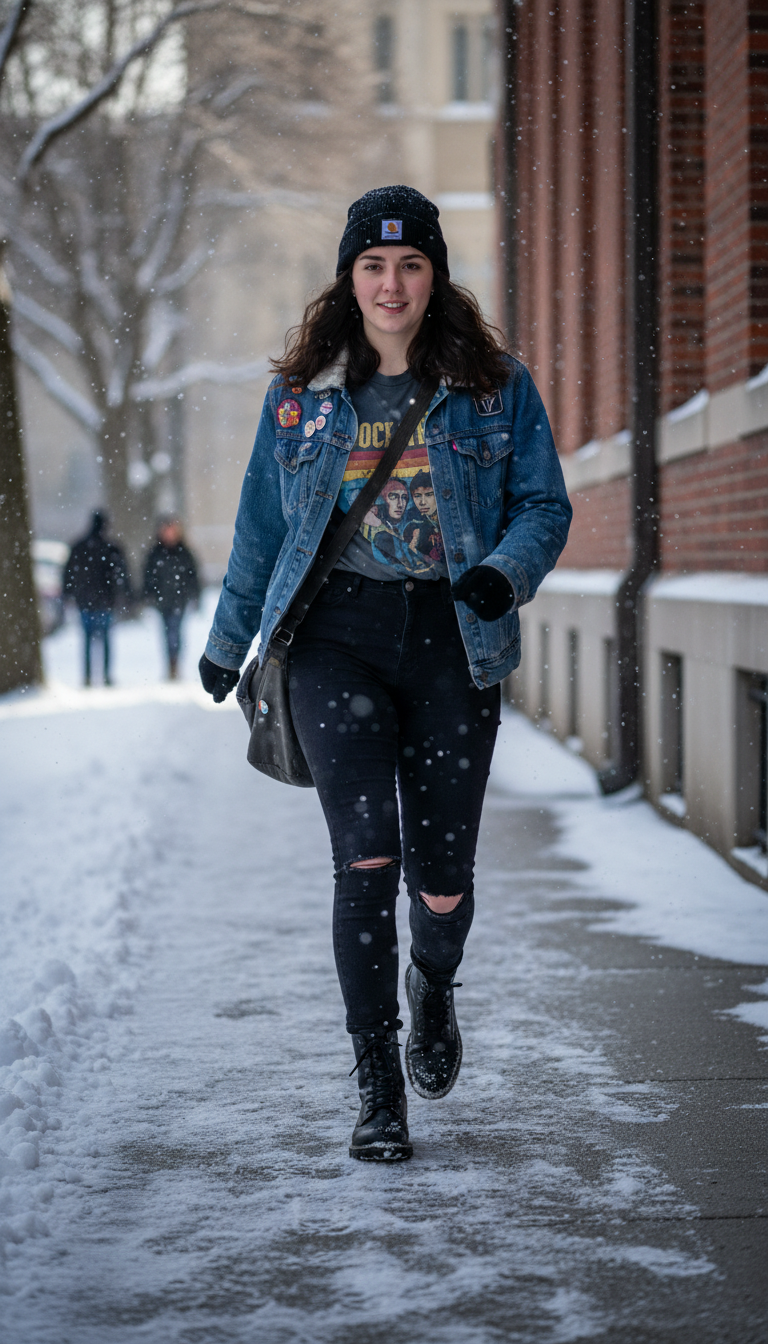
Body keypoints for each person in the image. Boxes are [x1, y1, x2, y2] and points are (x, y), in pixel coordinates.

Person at [198, 186, 571, 1162]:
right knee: (367, 852)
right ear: (349, 277)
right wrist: (227, 642)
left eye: (410, 265)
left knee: (440, 882)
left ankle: (433, 982)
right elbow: (260, 532)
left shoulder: (494, 385)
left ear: (434, 274)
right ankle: (377, 1082)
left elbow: (543, 502)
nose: (392, 283)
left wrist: (503, 572)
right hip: (337, 642)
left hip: (455, 639)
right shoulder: (303, 398)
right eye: (373, 265)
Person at [62, 509, 131, 687]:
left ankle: (87, 676)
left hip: (85, 602)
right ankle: (107, 675)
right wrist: (123, 595)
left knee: (87, 640)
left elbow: (68, 574)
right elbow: (121, 575)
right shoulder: (112, 548)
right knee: (106, 639)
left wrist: (69, 594)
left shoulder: (78, 547)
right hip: (105, 602)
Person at [143, 516, 200, 680]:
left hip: (179, 600)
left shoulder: (184, 552)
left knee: (175, 632)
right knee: (167, 633)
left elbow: (193, 576)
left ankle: (174, 664)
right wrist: (149, 595)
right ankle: (170, 663)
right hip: (163, 601)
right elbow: (148, 576)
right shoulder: (155, 553)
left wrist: (194, 595)